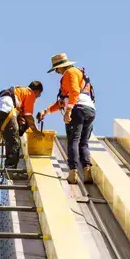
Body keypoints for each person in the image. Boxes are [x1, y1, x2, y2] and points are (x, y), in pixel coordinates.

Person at [37, 53, 96, 184]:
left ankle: (73, 173)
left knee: (73, 140)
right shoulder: (80, 74)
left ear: (61, 66)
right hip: (90, 110)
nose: (56, 72)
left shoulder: (69, 72)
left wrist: (68, 111)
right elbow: (62, 101)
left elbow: (74, 92)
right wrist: (46, 111)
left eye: (56, 69)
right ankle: (87, 172)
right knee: (83, 143)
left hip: (77, 109)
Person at [0, 81, 44, 169]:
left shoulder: (20, 91)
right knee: (15, 142)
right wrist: (36, 131)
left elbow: (21, 113)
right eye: (39, 94)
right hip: (7, 111)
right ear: (37, 91)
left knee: (10, 139)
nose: (38, 97)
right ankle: (10, 168)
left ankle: (9, 165)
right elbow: (29, 116)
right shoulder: (30, 93)